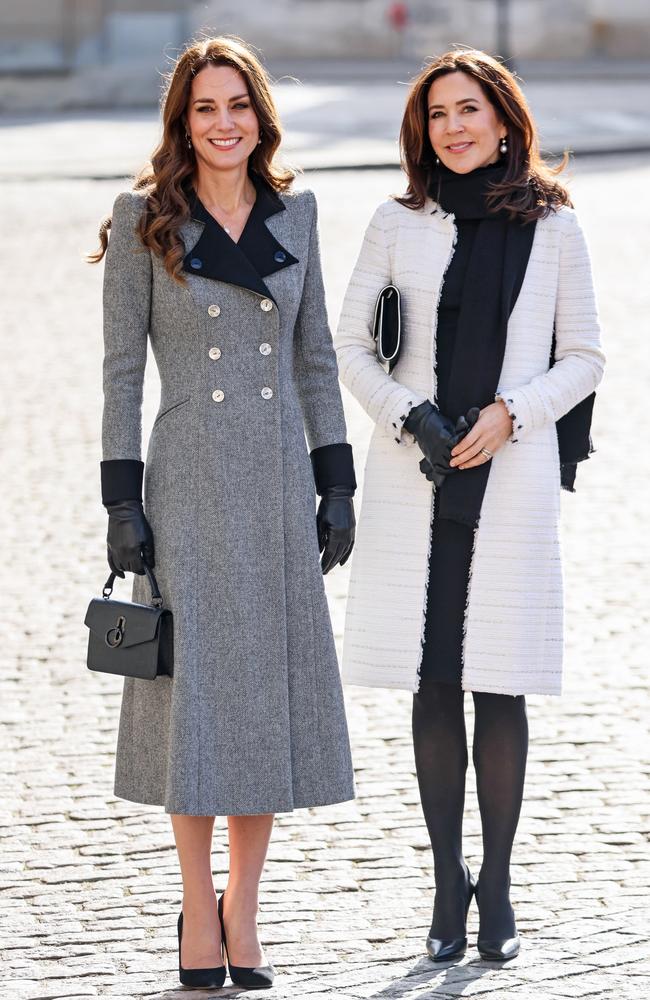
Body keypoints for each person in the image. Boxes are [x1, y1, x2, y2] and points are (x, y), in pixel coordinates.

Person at [89, 36, 356, 990]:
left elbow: (315, 359)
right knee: (195, 702)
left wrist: (339, 483)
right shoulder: (142, 220)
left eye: (238, 103)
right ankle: (194, 909)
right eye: (205, 107)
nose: (224, 122)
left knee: (263, 702)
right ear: (182, 121)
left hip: (280, 478)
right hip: (189, 483)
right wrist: (123, 502)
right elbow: (122, 372)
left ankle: (244, 910)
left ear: (260, 115)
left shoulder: (299, 213)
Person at [335, 48, 604, 963]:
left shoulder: (556, 227)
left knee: (500, 677)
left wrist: (510, 413)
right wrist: (412, 415)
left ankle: (500, 883)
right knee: (432, 676)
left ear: (503, 120)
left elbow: (585, 359)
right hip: (421, 477)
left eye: (468, 110)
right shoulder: (395, 221)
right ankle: (447, 882)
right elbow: (351, 345)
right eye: (436, 114)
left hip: (510, 474)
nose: (452, 127)